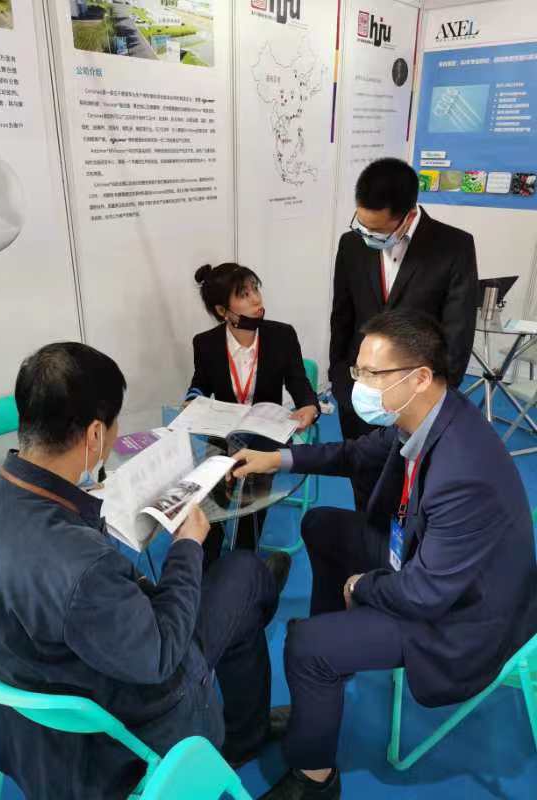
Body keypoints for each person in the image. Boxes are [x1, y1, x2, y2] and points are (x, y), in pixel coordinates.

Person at [0, 342, 292, 800]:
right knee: (244, 573)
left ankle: (255, 626)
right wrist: (186, 546)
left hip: (26, 683)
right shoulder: (84, 568)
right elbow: (161, 655)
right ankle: (245, 735)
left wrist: (77, 508)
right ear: (94, 435)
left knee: (244, 590)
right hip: (127, 714)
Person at [233, 310, 537, 800]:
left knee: (307, 645)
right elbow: (353, 454)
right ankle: (332, 669)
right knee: (321, 525)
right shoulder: (424, 414)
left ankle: (315, 780)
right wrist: (278, 458)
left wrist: (362, 585)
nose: (360, 385)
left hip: (464, 615)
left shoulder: (462, 471)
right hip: (426, 562)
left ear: (419, 378)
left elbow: (426, 593)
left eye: (373, 374)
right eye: (359, 370)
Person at [329, 158, 478, 509]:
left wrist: (432, 403)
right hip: (361, 393)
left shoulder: (453, 247)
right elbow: (342, 317)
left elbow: (457, 335)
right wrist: (340, 381)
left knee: (411, 491)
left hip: (416, 399)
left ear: (408, 216)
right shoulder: (351, 245)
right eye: (362, 225)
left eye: (377, 230)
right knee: (364, 480)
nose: (367, 236)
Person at [187, 262, 320, 565]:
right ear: (223, 311)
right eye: (244, 295)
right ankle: (206, 558)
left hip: (266, 433)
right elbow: (200, 383)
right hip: (224, 433)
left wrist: (309, 406)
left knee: (251, 494)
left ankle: (244, 557)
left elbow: (298, 382)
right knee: (212, 491)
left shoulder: (282, 335)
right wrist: (191, 399)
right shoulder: (205, 343)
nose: (256, 299)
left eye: (255, 289)